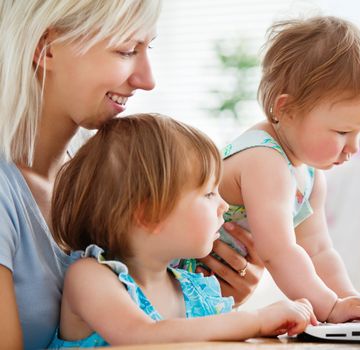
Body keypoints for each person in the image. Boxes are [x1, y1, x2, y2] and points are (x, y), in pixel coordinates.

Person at [0, 1, 263, 348]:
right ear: (46, 49)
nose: (148, 80)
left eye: (148, 48)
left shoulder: (112, 178)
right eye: (126, 50)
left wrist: (209, 303)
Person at [46, 114, 316, 347]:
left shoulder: (193, 287)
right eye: (209, 194)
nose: (223, 205)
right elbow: (139, 335)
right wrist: (256, 320)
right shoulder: (91, 277)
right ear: (150, 214)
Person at [214, 16, 360, 323]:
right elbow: (280, 252)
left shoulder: (311, 176)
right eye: (342, 132)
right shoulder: (263, 159)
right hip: (167, 281)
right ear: (284, 108)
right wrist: (330, 307)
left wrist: (350, 301)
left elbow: (319, 250)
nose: (354, 147)